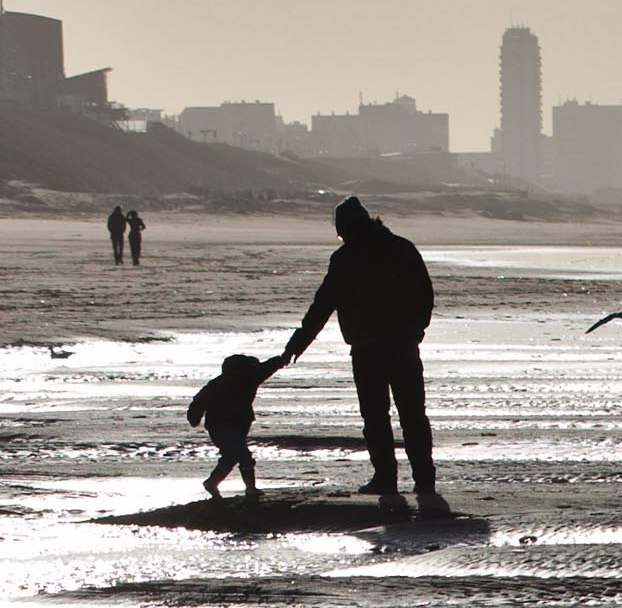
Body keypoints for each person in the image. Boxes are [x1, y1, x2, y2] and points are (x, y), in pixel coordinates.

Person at [279, 195, 447, 521]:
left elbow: (322, 305)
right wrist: (416, 330)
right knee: (413, 414)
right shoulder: (402, 248)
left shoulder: (346, 258)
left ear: (344, 229)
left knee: (376, 416)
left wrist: (297, 345)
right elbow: (425, 294)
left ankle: (386, 478)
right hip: (403, 345)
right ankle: (424, 481)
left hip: (369, 347)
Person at [187, 349, 278, 505]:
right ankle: (250, 488)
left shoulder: (227, 381)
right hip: (222, 426)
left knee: (231, 456)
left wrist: (281, 359)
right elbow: (199, 402)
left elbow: (198, 402)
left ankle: (212, 483)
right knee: (243, 456)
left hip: (231, 424)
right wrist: (282, 358)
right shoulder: (246, 379)